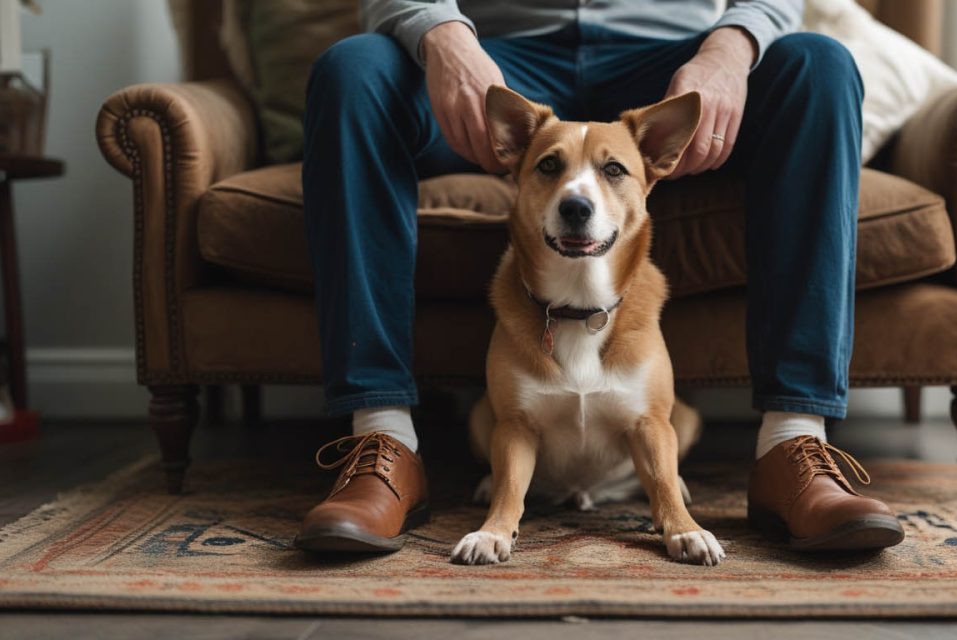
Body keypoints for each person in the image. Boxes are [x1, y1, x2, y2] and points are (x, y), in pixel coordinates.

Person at [294, 0, 904, 555]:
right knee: (354, 70)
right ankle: (384, 441)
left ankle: (791, 444)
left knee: (818, 65)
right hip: (500, 54)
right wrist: (443, 37)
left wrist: (730, 47)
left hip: (674, 57)